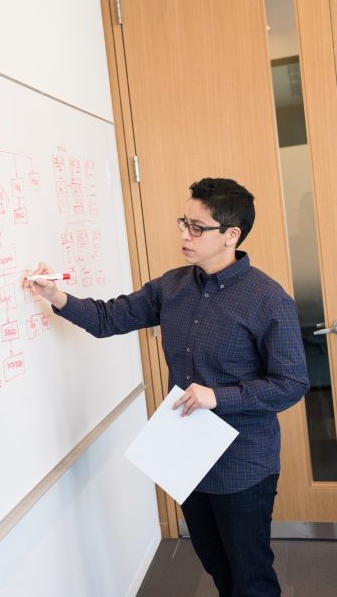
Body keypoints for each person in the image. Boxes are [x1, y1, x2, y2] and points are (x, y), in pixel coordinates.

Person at [26, 177, 309, 597]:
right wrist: (56, 295)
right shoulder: (172, 286)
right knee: (217, 567)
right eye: (184, 222)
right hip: (187, 458)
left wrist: (219, 397)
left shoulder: (269, 300)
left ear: (231, 235)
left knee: (251, 576)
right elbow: (109, 319)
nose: (184, 234)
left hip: (242, 463)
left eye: (197, 227)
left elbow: (291, 384)